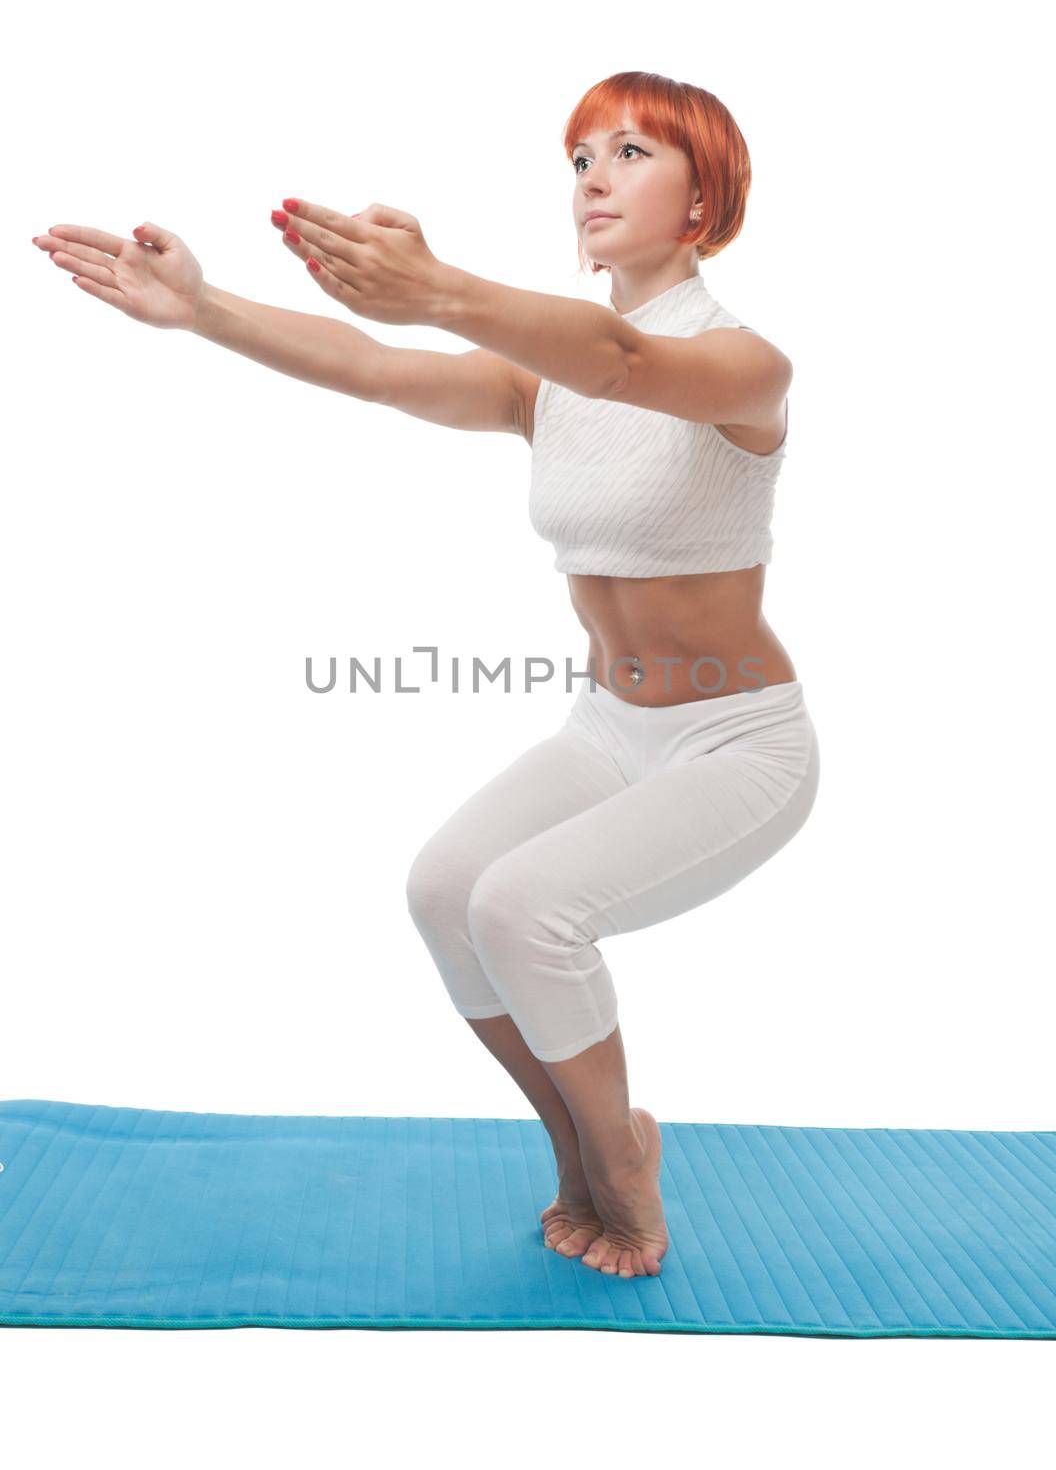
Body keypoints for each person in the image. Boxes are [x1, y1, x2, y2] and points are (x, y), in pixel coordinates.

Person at [31, 69, 819, 1283]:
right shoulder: (543, 380)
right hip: (610, 727)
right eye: (578, 158)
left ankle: (621, 1169)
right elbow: (370, 365)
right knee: (448, 889)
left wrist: (442, 288)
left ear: (703, 198)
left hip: (738, 743)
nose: (593, 178)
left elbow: (620, 356)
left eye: (630, 153)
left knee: (525, 907)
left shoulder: (743, 367)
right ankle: (581, 1148)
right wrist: (204, 309)